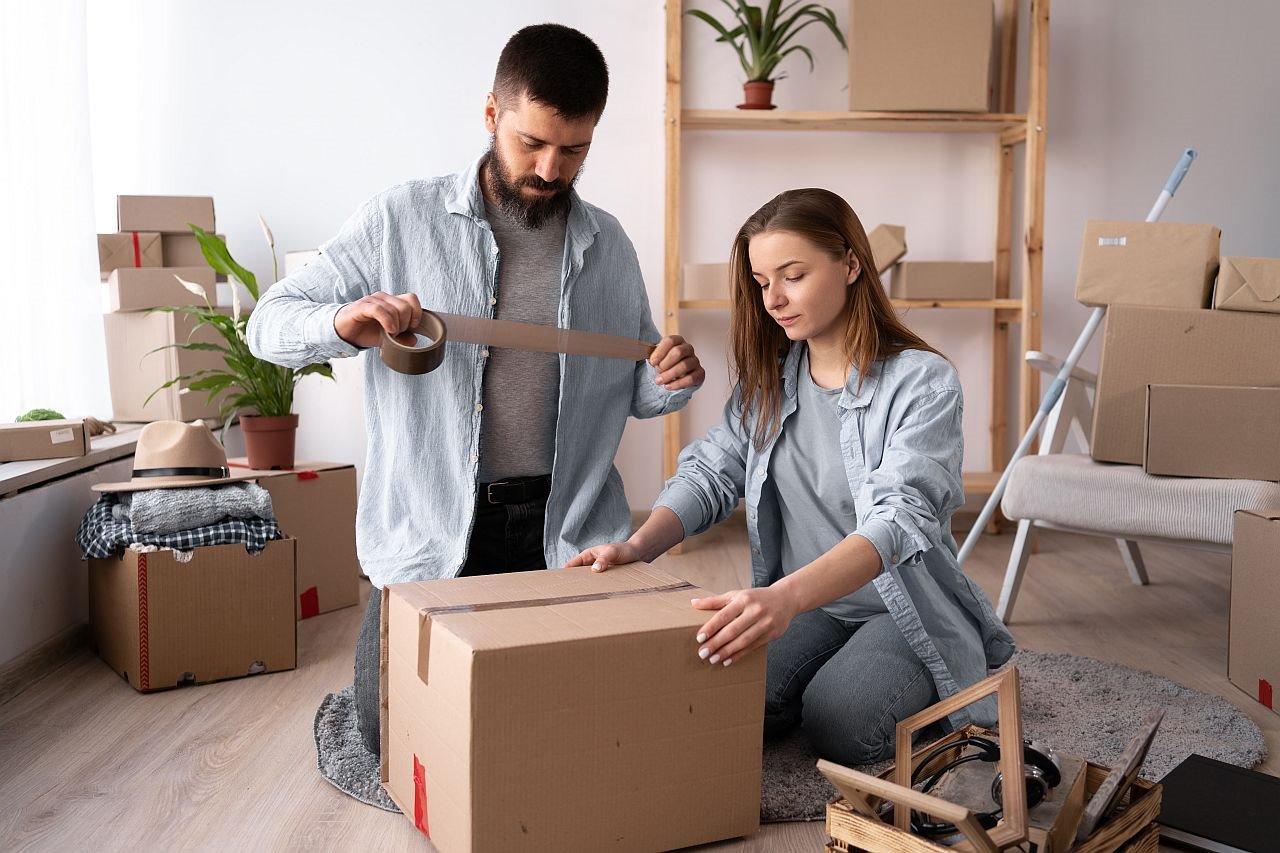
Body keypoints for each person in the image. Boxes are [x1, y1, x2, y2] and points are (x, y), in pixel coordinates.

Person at [247, 24, 705, 758]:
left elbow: (636, 387)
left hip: (569, 529)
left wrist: (669, 378)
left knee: (604, 729)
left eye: (575, 149)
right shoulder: (400, 218)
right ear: (492, 113)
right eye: (532, 142)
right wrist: (345, 319)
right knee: (388, 731)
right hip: (434, 535)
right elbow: (266, 324)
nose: (551, 169)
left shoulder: (608, 244)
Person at [568, 188, 1014, 765]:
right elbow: (712, 471)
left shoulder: (923, 382)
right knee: (710, 690)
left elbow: (900, 519)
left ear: (851, 264)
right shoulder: (770, 381)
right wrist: (636, 547)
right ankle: (828, 673)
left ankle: (949, 676)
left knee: (842, 725)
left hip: (900, 607)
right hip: (809, 605)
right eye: (760, 282)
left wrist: (780, 599)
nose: (773, 298)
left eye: (793, 275)